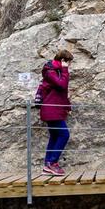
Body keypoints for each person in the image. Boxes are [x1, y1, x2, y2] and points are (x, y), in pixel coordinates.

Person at [36, 49, 72, 177]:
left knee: (55, 136)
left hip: (54, 109)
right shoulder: (51, 72)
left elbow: (60, 92)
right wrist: (65, 70)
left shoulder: (54, 71)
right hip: (51, 109)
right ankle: (52, 163)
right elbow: (62, 85)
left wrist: (67, 106)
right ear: (63, 61)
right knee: (64, 135)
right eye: (69, 62)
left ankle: (48, 165)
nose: (70, 65)